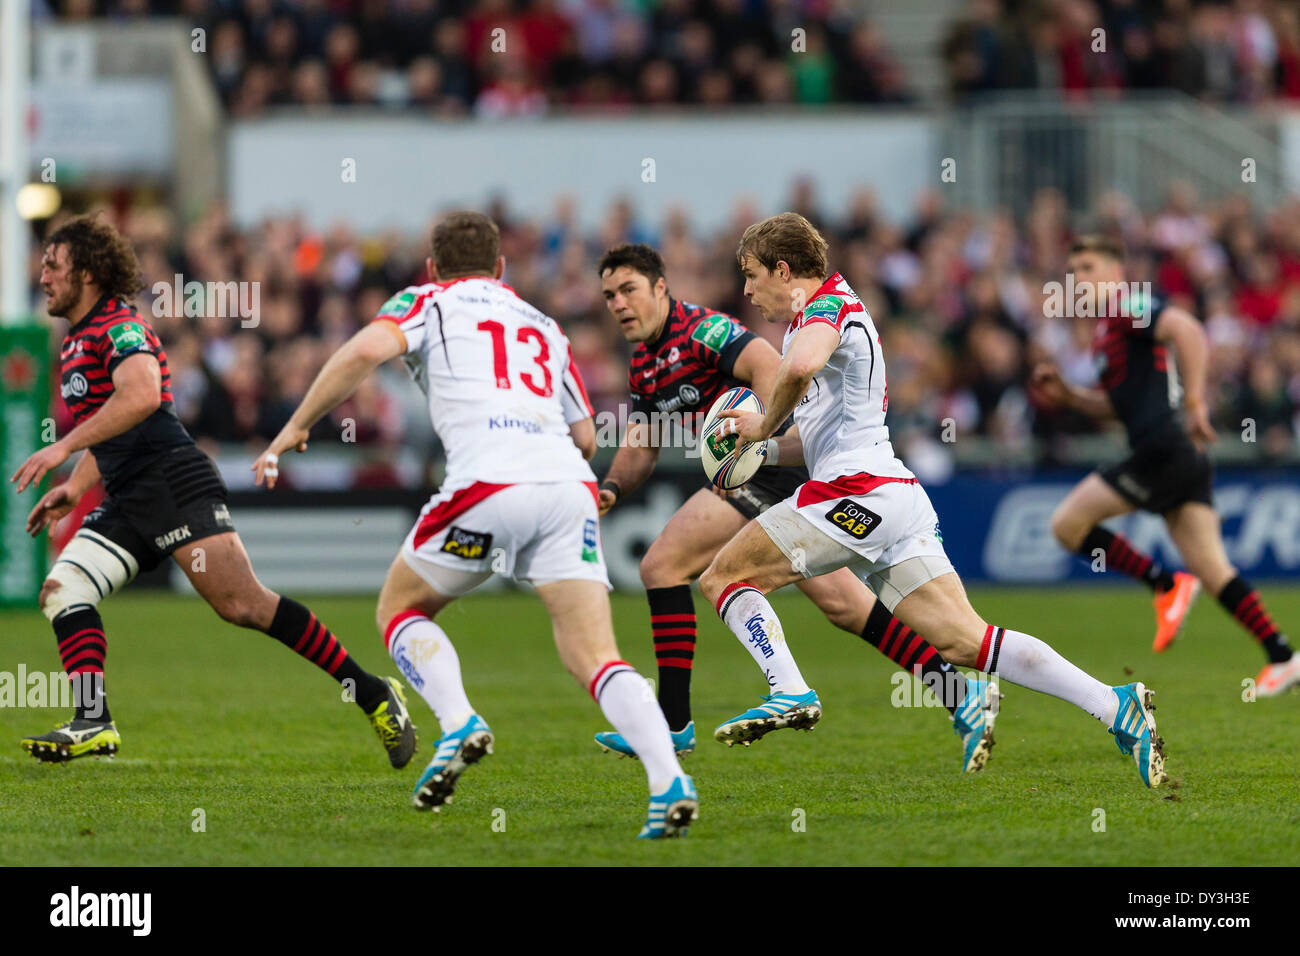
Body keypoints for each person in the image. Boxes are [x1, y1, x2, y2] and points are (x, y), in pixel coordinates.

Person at [252, 212, 697, 838]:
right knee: (595, 655)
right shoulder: (542, 323)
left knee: (400, 608)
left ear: (433, 267)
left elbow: (363, 351)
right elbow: (585, 435)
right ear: (501, 269)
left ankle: (459, 721)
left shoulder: (427, 300)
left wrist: (297, 426)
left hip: (488, 483)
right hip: (569, 488)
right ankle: (667, 779)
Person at [696, 212, 1168, 788]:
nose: (746, 290)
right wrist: (759, 452)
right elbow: (816, 436)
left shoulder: (825, 308)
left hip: (857, 493)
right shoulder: (819, 317)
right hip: (890, 497)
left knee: (724, 578)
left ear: (784, 269)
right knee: (968, 643)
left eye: (750, 275)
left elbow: (797, 368)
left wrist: (762, 424)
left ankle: (788, 689)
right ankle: (1114, 704)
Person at [12, 214, 415, 768]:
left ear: (86, 273)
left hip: (174, 480)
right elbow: (114, 428)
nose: (44, 278)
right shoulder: (76, 340)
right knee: (63, 589)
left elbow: (142, 397)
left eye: (52, 267)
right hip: (129, 496)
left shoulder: (118, 325)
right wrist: (74, 483)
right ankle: (93, 719)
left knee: (243, 605)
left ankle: (372, 692)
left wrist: (61, 449)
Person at [592, 243, 998, 771]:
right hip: (769, 474)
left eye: (629, 290)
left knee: (661, 566)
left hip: (773, 469)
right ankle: (959, 694)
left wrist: (757, 445)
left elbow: (769, 365)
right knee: (846, 608)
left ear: (660, 289)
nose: (619, 303)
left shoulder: (701, 332)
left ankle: (675, 725)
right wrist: (613, 490)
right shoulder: (644, 364)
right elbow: (642, 444)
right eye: (609, 295)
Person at [1031, 235, 1297, 695]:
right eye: (1073, 270)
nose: (1079, 278)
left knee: (1066, 525)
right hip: (1181, 456)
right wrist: (1071, 397)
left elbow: (1188, 330)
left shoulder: (1127, 304)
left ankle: (1164, 584)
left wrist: (1195, 401)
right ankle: (1282, 655)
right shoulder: (1104, 335)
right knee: (1214, 570)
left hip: (1162, 448)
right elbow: (1120, 406)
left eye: (1089, 266)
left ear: (1115, 271)